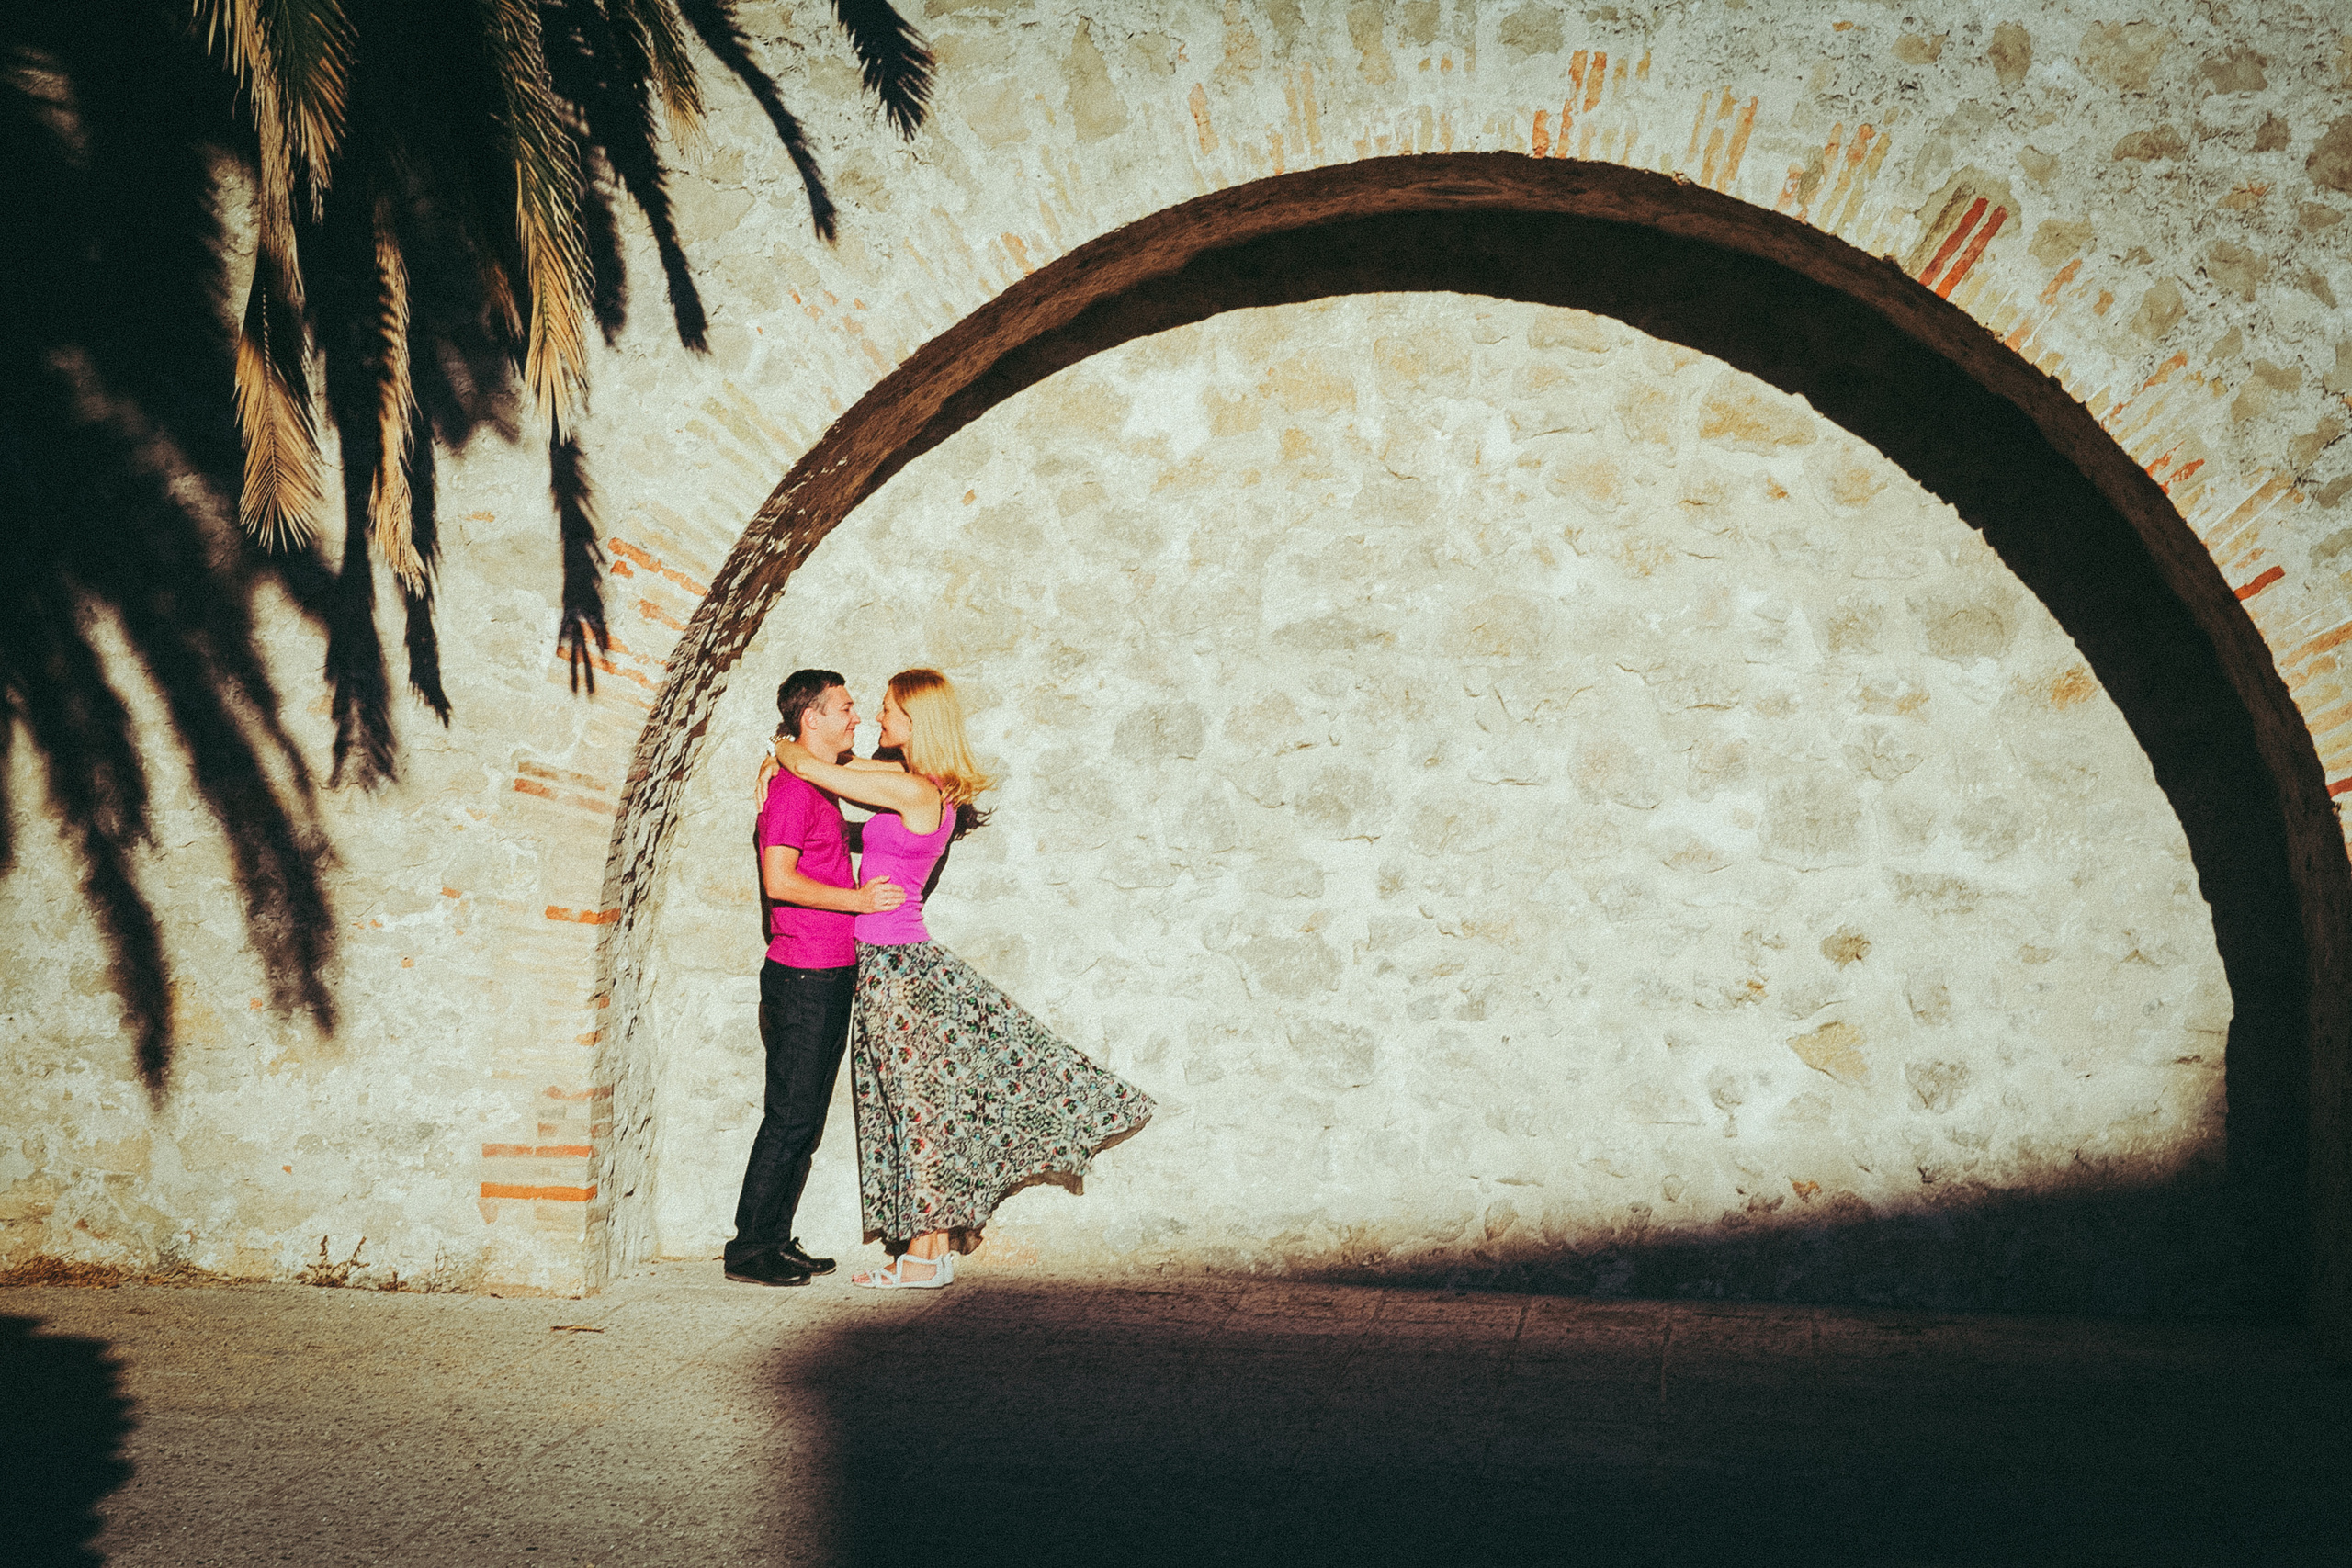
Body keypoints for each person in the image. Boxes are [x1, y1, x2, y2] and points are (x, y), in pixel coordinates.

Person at [773, 668, 1155, 1288]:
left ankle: (925, 1260)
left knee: (919, 1110)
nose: (876, 718)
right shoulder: (911, 781)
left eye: (890, 710)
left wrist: (780, 751)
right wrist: (787, 754)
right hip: (888, 967)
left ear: (919, 722)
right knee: (913, 1106)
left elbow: (818, 771)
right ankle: (930, 1247)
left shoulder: (921, 795)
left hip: (901, 971)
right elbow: (832, 770)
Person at [726, 669, 907, 1288]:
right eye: (847, 709)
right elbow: (779, 880)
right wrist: (858, 901)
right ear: (813, 719)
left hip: (827, 972)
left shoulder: (815, 785)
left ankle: (774, 1235)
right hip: (801, 976)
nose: (856, 719)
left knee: (804, 1119)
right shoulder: (792, 792)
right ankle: (750, 1247)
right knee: (790, 1117)